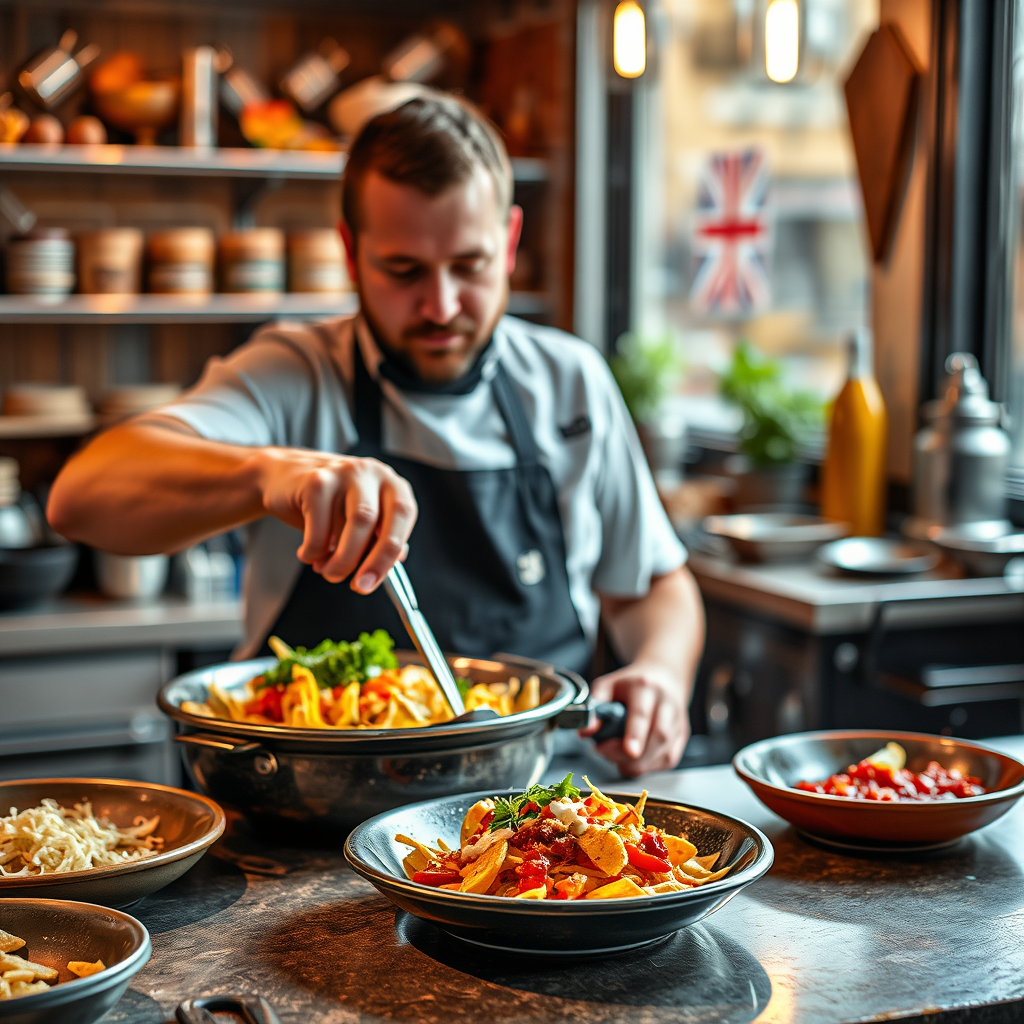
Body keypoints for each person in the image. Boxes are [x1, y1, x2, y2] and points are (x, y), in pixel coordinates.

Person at [48, 93, 704, 777]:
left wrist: (660, 671)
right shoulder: (293, 374)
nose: (442, 305)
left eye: (470, 265)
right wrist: (269, 475)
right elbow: (80, 497)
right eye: (405, 271)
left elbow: (652, 582)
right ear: (350, 251)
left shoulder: (569, 382)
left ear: (509, 243)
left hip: (532, 804)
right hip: (310, 804)